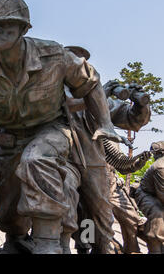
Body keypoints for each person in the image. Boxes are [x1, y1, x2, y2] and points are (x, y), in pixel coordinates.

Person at [0, 0, 130, 254]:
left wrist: (105, 123)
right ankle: (19, 241)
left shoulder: (53, 55)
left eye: (7, 24)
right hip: (10, 139)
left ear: (24, 28)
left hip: (52, 130)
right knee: (8, 211)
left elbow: (90, 82)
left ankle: (48, 243)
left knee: (36, 159)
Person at [62, 46, 151, 254]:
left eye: (83, 65)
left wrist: (140, 104)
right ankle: (70, 247)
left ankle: (95, 248)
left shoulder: (100, 98)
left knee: (98, 217)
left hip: (93, 166)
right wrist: (99, 93)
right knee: (63, 208)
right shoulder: (56, 93)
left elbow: (131, 120)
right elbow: (65, 106)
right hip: (63, 161)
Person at [133, 141, 164, 254]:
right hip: (146, 194)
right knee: (158, 214)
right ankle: (155, 249)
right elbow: (162, 195)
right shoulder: (160, 167)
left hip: (158, 195)